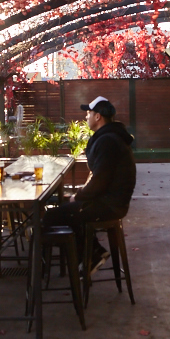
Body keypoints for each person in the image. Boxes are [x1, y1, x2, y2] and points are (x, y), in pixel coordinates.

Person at [43, 96, 136, 265]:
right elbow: (99, 176)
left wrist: (78, 197)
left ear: (98, 116)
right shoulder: (111, 136)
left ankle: (88, 258)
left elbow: (100, 180)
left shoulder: (107, 141)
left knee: (51, 216)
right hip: (112, 201)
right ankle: (91, 252)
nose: (86, 117)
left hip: (110, 205)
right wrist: (79, 195)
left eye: (89, 113)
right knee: (64, 208)